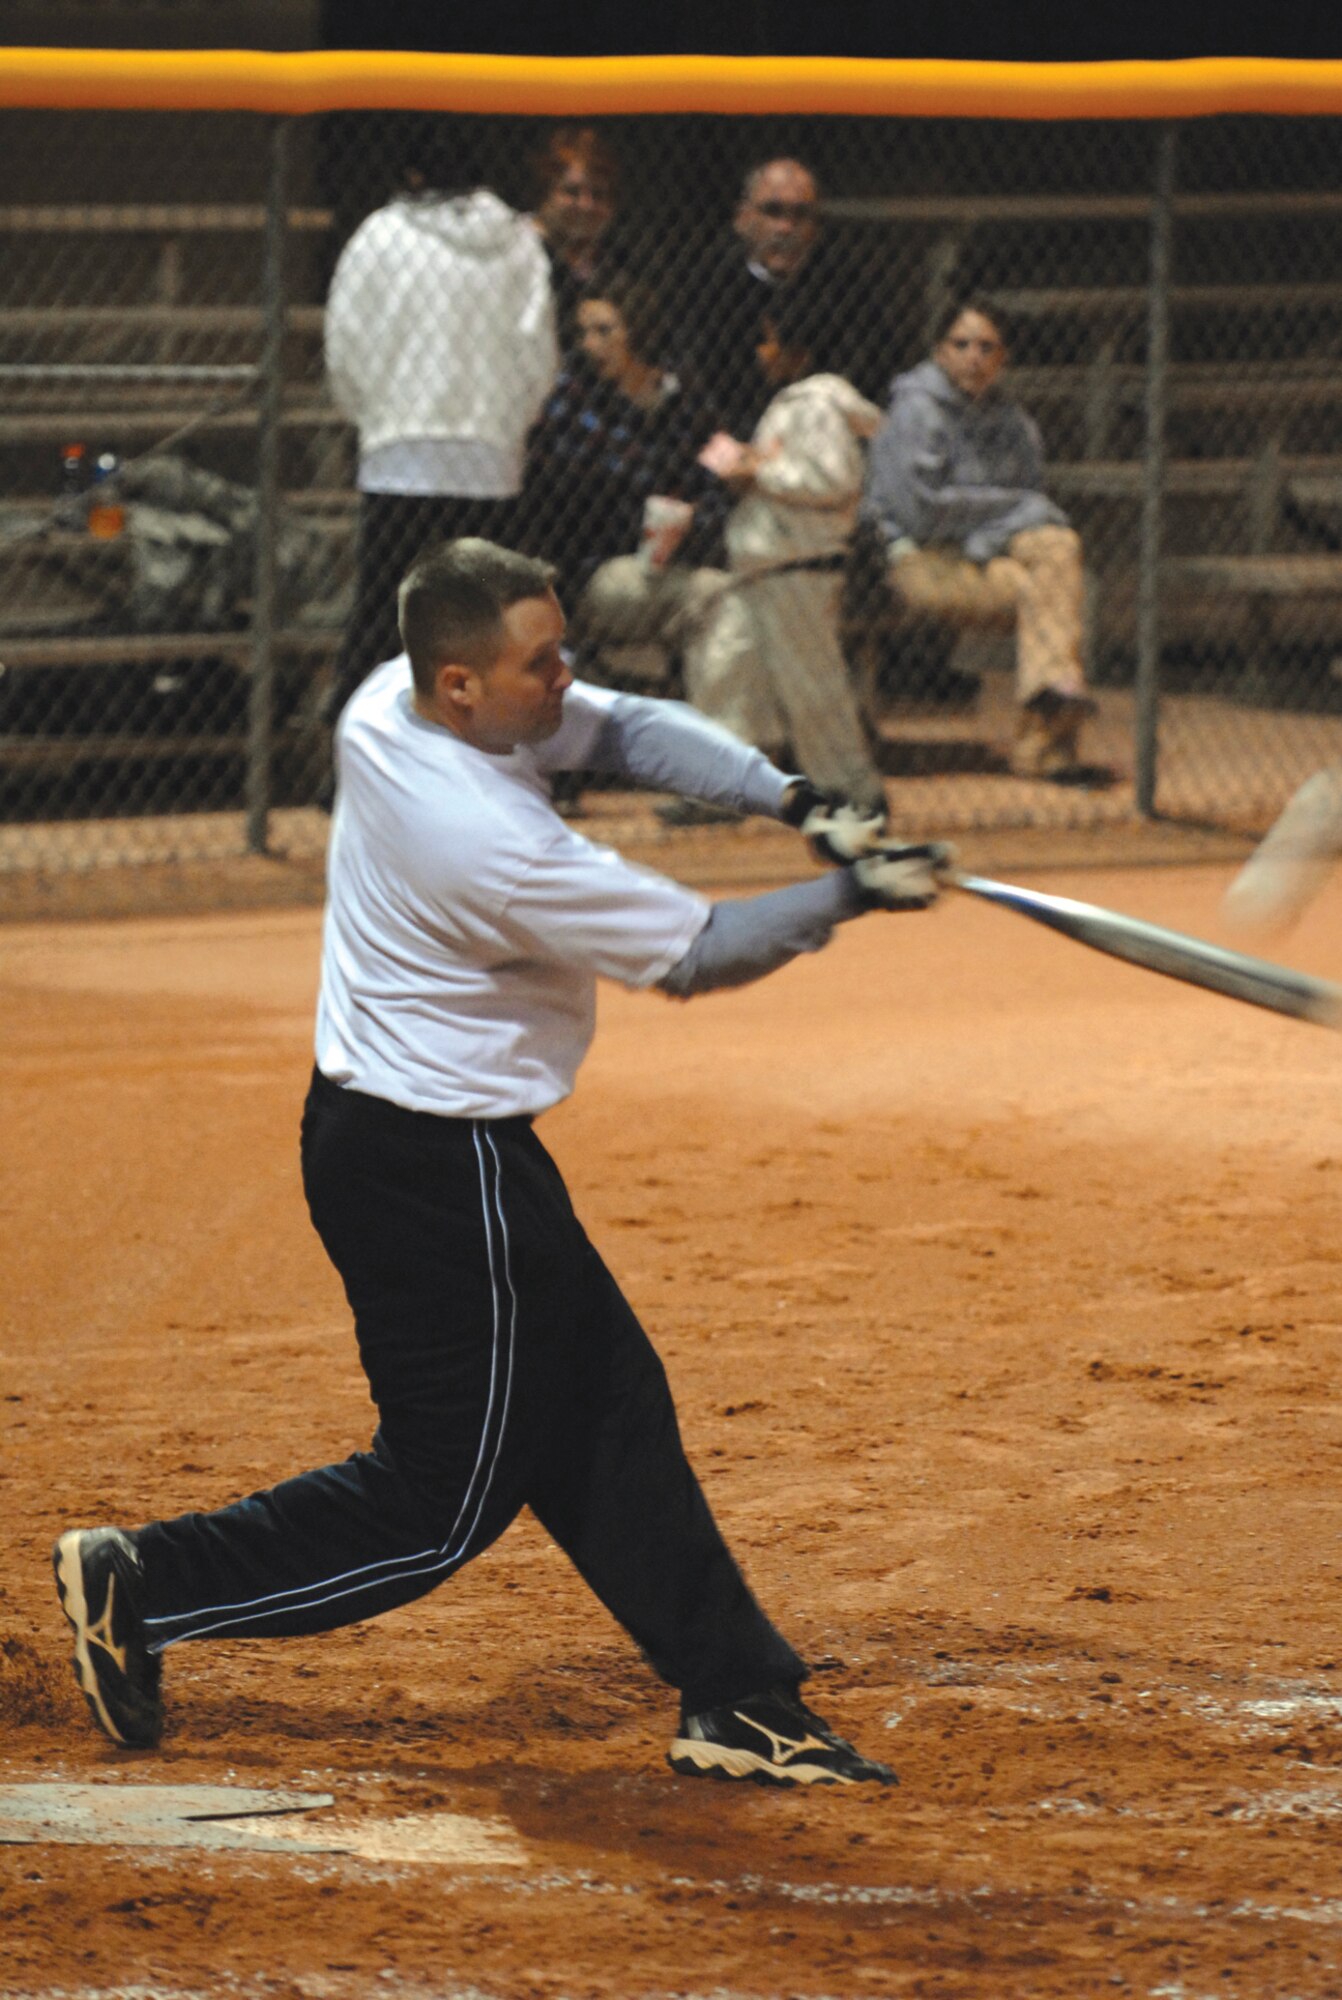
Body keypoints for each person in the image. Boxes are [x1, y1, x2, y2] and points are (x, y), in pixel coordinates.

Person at [52, 537, 954, 1790]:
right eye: (541, 663)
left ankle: (737, 1694)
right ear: (464, 685)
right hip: (429, 1162)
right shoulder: (482, 837)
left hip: (442, 1145)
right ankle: (145, 1583)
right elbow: (703, 953)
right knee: (440, 1498)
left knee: (608, 1403)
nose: (565, 678)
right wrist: (851, 895)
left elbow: (625, 728)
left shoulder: (396, 695)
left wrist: (792, 797)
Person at [323, 127, 558, 723]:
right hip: (490, 458)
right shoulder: (518, 242)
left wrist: (370, 420)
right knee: (493, 625)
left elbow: (344, 343)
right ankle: (501, 758)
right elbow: (538, 351)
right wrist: (511, 429)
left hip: (401, 448)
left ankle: (359, 768)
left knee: (387, 618)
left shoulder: (381, 236)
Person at [863, 298, 1097, 781]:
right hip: (920, 558)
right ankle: (1047, 739)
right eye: (961, 344)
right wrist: (1011, 509)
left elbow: (1027, 508)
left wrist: (999, 518)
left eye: (987, 347)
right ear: (939, 352)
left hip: (982, 552)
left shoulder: (1013, 422)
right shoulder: (915, 411)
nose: (974, 356)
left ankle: (1052, 704)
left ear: (1003, 358)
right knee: (1054, 592)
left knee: (1059, 548)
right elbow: (922, 513)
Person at [519, 275, 739, 747]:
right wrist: (653, 501)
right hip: (595, 571)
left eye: (604, 331)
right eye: (583, 333)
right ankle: (710, 758)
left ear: (638, 333)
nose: (589, 345)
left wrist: (693, 521)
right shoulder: (574, 400)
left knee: (729, 591)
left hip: (680, 557)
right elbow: (571, 490)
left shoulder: (684, 397)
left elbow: (719, 470)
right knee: (716, 597)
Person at [691, 300, 888, 817]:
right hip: (762, 566)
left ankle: (855, 793)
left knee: (812, 686)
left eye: (773, 340)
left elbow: (833, 480)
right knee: (725, 673)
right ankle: (719, 790)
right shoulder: (790, 402)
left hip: (798, 567)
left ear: (800, 350)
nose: (764, 351)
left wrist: (760, 473)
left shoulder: (816, 402)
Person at [679, 158, 827, 439]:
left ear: (816, 227)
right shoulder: (708, 290)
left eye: (800, 214)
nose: (786, 228)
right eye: (773, 211)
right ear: (743, 219)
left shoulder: (838, 288)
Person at [530, 124, 621, 353]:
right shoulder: (520, 250)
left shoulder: (611, 262)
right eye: (572, 192)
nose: (586, 205)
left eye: (598, 195)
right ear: (545, 194)